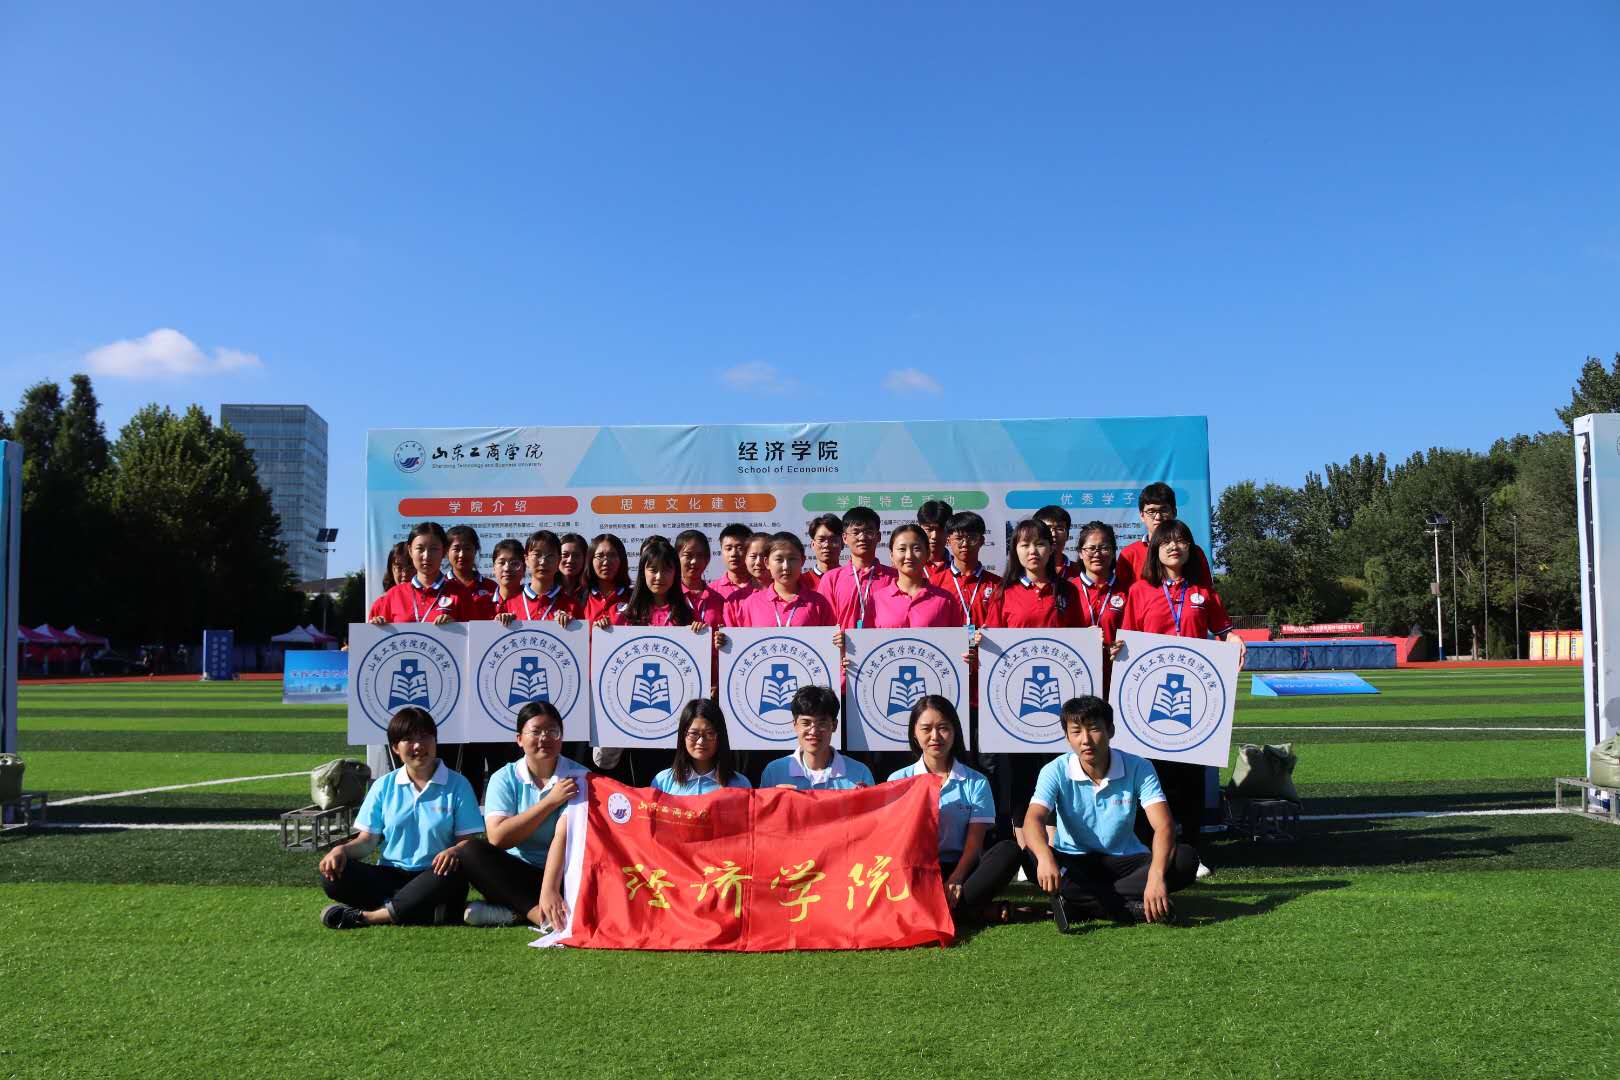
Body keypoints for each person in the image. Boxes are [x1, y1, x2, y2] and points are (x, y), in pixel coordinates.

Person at [1121, 517, 1245, 855]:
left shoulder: (1203, 593)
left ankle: (1191, 850)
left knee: (1190, 778)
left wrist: (1233, 638)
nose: (1174, 547)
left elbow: (1224, 631)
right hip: (1149, 697)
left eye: (1181, 541)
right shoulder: (1139, 591)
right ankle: (1148, 849)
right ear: (1155, 550)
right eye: (1166, 542)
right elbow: (1127, 640)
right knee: (1152, 775)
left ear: (1190, 548)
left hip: (1195, 697)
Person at [1022, 696, 1199, 927]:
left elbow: (1164, 826)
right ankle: (1126, 908)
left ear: (1111, 730)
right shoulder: (1054, 770)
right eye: (1076, 732)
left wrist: (1155, 876)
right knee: (1031, 855)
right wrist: (1045, 857)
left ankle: (1080, 902)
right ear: (1067, 737)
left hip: (1125, 861)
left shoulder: (1139, 767)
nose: (1086, 740)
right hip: (1074, 862)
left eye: (1094, 729)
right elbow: (1033, 818)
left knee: (1185, 859)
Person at [317, 706, 483, 928]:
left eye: (424, 737)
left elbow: (467, 843)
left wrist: (454, 850)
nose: (418, 745)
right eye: (408, 739)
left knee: (454, 875)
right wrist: (341, 850)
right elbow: (367, 841)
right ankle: (426, 911)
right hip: (390, 876)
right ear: (395, 747)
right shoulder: (383, 786)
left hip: (435, 875)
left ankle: (368, 917)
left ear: (435, 740)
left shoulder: (458, 784)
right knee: (333, 876)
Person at [886, 696, 1021, 926]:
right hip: (916, 870)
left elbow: (974, 845)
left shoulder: (976, 781)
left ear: (955, 731)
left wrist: (956, 879)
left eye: (943, 728)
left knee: (1009, 850)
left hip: (962, 868)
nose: (935, 736)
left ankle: (935, 912)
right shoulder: (898, 780)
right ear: (914, 734)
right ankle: (972, 912)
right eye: (926, 729)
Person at [457, 702, 588, 929]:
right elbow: (498, 838)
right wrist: (550, 802)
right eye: (535, 731)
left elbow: (564, 835)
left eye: (552, 731)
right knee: (471, 851)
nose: (544, 738)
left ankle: (516, 912)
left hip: (565, 874)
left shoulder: (580, 777)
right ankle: (540, 916)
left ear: (561, 738)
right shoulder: (503, 778)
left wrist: (549, 889)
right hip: (517, 873)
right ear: (519, 739)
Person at [759, 685, 874, 790]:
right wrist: (776, 800)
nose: (813, 731)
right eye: (806, 723)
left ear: (834, 725)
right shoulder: (774, 772)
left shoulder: (860, 773)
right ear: (795, 725)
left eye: (822, 723)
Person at [368, 522, 475, 625]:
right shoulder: (393, 595)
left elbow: (474, 635)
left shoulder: (461, 593)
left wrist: (457, 627)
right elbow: (377, 636)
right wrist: (377, 627)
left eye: (434, 549)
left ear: (444, 551)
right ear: (410, 551)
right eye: (420, 549)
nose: (426, 556)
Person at [729, 532, 838, 628]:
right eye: (779, 559)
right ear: (767, 563)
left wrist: (839, 640)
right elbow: (740, 641)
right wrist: (724, 639)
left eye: (792, 559)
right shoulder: (752, 603)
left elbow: (829, 641)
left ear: (802, 560)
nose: (786, 567)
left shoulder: (818, 603)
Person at [1117, 483, 1213, 588]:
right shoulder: (1129, 554)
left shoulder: (1193, 551)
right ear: (1142, 515)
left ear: (1174, 512)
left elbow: (1207, 591)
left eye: (1163, 510)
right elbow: (1121, 595)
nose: (1158, 517)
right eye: (1151, 511)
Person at [867, 524, 961, 628]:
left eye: (916, 549)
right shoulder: (876, 600)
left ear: (927, 554)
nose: (909, 556)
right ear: (892, 555)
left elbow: (956, 637)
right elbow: (867, 637)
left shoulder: (945, 600)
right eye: (902, 549)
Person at [652, 699, 752, 794]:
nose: (701, 741)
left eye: (709, 733)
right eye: (694, 733)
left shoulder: (740, 784)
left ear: (721, 736)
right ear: (683, 736)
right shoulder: (662, 782)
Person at [819, 506, 895, 629]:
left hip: (884, 641)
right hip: (842, 642)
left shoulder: (894, 578)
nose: (862, 537)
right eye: (855, 532)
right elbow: (824, 625)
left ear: (878, 536)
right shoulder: (831, 579)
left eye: (869, 532)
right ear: (844, 538)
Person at [1072, 520, 1130, 669]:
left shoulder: (1128, 591)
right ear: (1080, 553)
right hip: (1077, 670)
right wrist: (1080, 637)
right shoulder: (1068, 589)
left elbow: (1136, 634)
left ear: (1113, 552)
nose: (1097, 554)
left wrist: (1122, 646)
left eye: (1104, 548)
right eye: (1091, 548)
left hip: (1116, 672)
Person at [496, 529, 580, 626]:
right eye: (537, 554)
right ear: (526, 559)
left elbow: (581, 635)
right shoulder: (509, 604)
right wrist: (500, 623)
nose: (543, 562)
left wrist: (571, 626)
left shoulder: (572, 606)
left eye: (550, 556)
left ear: (559, 560)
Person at [938, 512, 1001, 630]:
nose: (965, 544)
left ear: (981, 541)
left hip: (986, 642)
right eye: (958, 538)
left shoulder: (998, 585)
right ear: (948, 540)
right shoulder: (935, 583)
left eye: (971, 538)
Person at [675, 529, 725, 630]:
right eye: (688, 555)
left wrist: (721, 636)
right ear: (676, 558)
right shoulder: (670, 597)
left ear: (707, 559)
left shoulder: (718, 600)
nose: (694, 561)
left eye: (700, 555)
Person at [446, 524, 499, 619]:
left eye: (467, 548)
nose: (462, 554)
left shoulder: (491, 587)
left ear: (475, 551)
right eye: (456, 549)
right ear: (447, 551)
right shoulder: (441, 587)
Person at [582, 533, 632, 626]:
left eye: (612, 555)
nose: (606, 562)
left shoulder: (633, 598)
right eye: (600, 556)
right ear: (590, 560)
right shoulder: (580, 597)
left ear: (621, 560)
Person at [710, 523, 759, 608]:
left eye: (740, 548)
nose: (733, 554)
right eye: (728, 548)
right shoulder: (712, 591)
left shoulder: (763, 586)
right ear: (721, 551)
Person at [367, 541, 413, 621]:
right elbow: (369, 629)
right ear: (391, 570)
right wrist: (375, 626)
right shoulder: (380, 605)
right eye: (399, 568)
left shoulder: (432, 600)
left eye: (410, 567)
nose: (405, 574)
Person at [1034, 504, 1078, 581]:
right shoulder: (1027, 571)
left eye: (1059, 529)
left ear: (1067, 535)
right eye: (1048, 528)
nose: (1053, 534)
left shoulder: (1079, 571)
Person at [803, 513, 844, 591]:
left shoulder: (851, 580)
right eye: (821, 540)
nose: (827, 545)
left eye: (833, 540)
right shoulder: (801, 582)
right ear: (812, 544)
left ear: (842, 544)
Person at [916, 499, 955, 579]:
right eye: (929, 529)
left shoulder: (958, 566)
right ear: (919, 528)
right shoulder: (908, 566)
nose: (934, 536)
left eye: (940, 530)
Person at [557, 532, 592, 611]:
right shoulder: (547, 590)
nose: (570, 560)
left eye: (576, 556)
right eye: (565, 555)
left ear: (585, 559)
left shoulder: (593, 592)